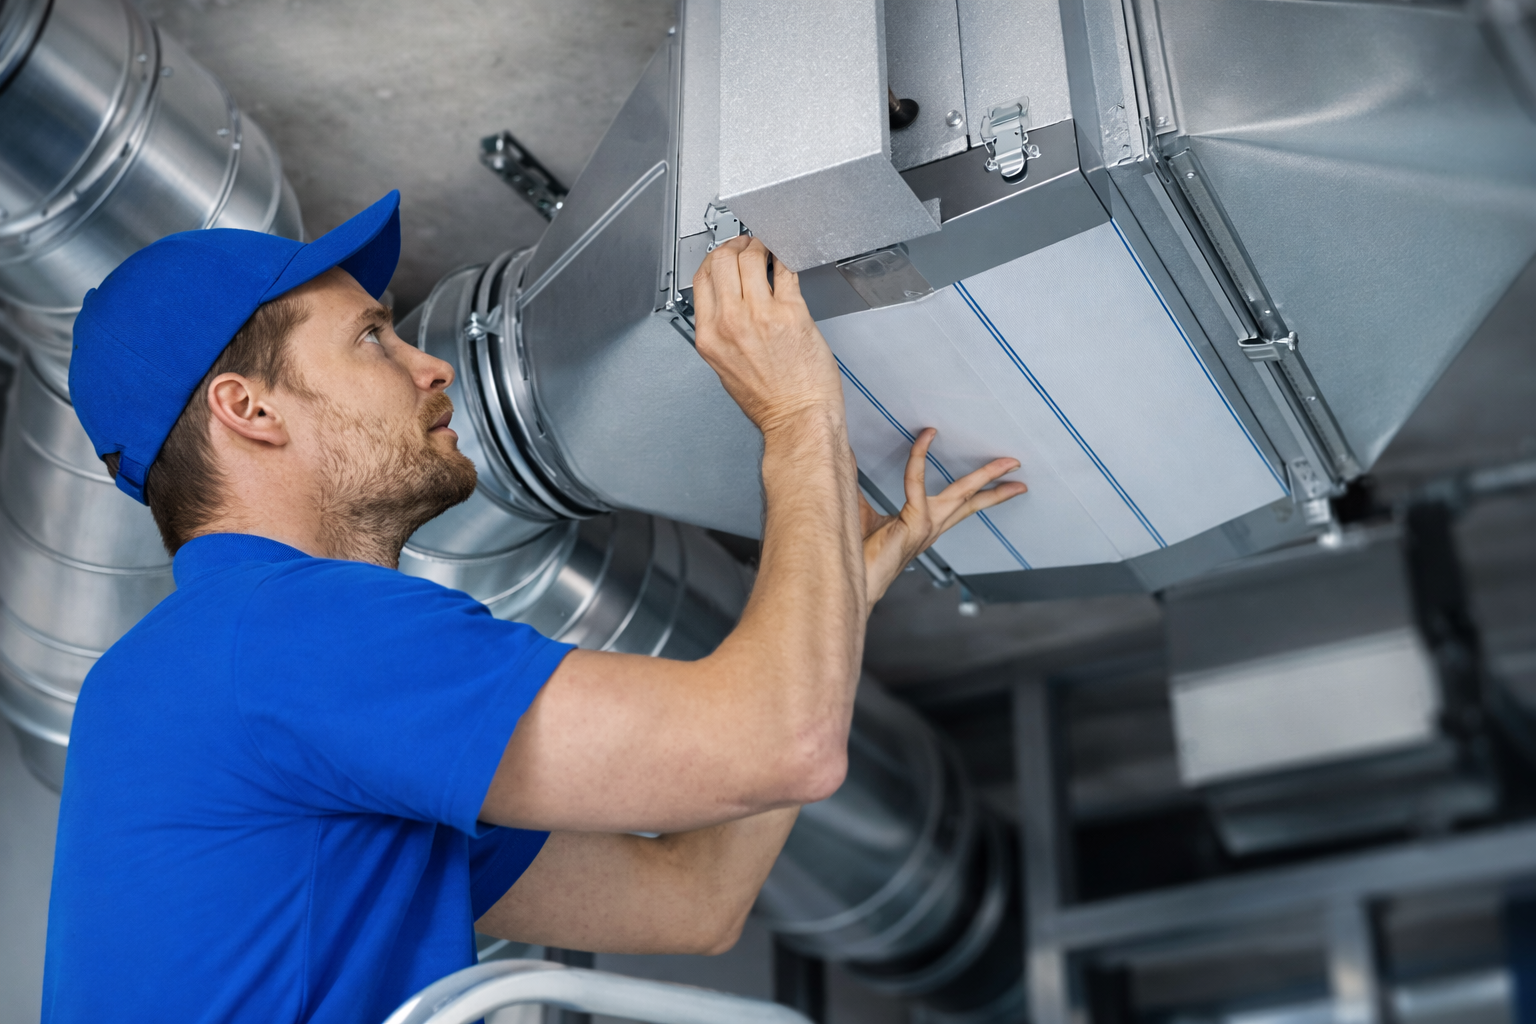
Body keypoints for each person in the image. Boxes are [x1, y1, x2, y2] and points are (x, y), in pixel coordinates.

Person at [42, 191, 1026, 1023]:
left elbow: (696, 898)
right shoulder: (280, 636)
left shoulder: (225, 679)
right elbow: (782, 747)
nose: (427, 365)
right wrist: (799, 416)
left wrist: (840, 586)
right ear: (247, 409)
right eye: (372, 338)